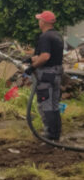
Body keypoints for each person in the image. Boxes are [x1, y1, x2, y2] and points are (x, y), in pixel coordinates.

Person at [25, 11, 64, 141]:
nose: (38, 22)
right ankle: (56, 134)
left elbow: (45, 56)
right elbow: (46, 55)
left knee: (45, 104)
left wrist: (32, 67)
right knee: (54, 105)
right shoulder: (57, 35)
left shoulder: (45, 37)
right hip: (56, 73)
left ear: (44, 22)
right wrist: (31, 59)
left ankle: (50, 135)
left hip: (46, 74)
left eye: (40, 19)